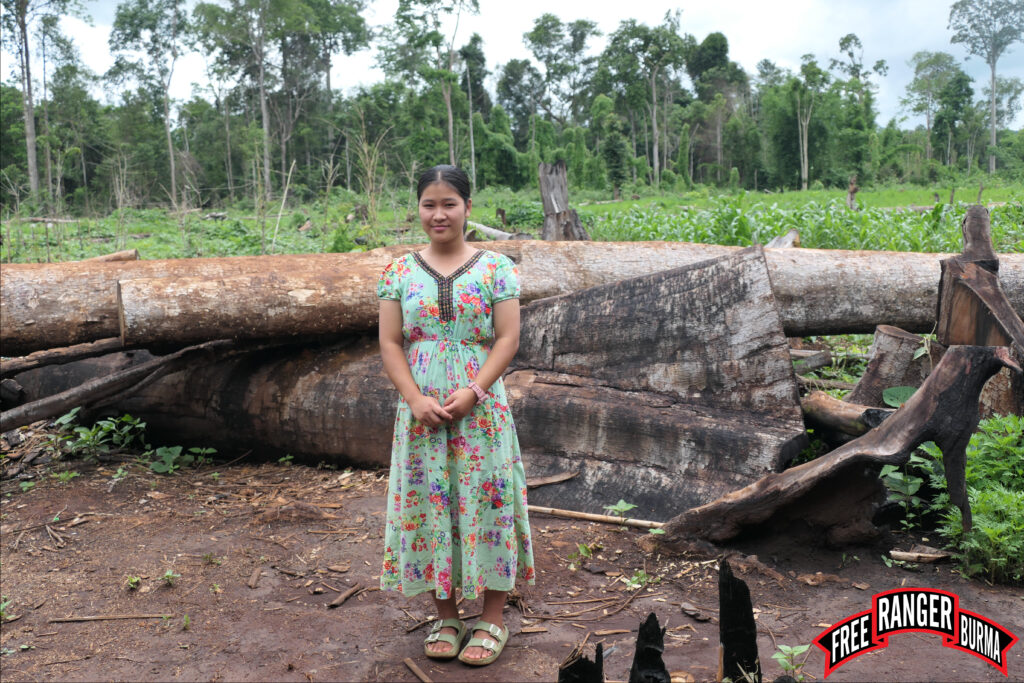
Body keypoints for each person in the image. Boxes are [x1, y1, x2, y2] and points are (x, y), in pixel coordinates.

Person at [377, 164, 535, 667]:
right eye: (429, 204)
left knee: (488, 499)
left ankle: (492, 618)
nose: (439, 214)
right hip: (420, 410)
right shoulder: (399, 272)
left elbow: (507, 339)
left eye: (449, 204)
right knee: (428, 500)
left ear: (468, 207)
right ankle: (445, 614)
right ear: (418, 209)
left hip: (480, 407)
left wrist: (474, 389)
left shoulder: (496, 269)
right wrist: (414, 400)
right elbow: (389, 342)